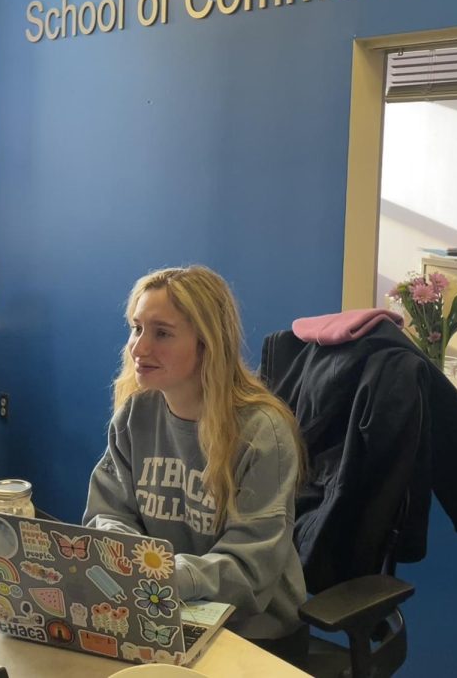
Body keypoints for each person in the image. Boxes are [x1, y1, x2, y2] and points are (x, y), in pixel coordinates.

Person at [83, 265, 308, 651]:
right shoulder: (136, 412)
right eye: (136, 328)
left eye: (162, 333)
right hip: (159, 610)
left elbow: (249, 568)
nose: (139, 348)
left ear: (208, 343)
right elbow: (107, 515)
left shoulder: (261, 432)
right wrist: (133, 563)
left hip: (251, 632)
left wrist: (161, 575)